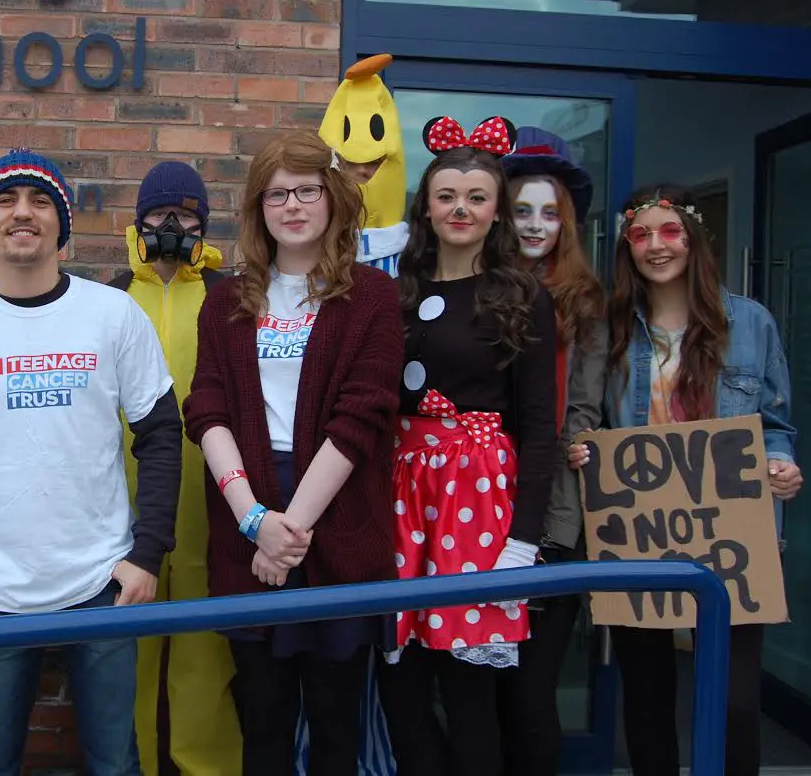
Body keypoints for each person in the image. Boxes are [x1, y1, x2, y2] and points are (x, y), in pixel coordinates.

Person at [0, 148, 183, 776]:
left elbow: (160, 434)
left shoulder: (112, 314)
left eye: (41, 200)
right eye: (7, 200)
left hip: (104, 587)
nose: (23, 213)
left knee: (115, 764)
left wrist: (147, 554)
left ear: (61, 227)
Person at [184, 131, 404, 776]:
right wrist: (255, 521)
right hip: (245, 514)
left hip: (334, 516)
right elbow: (208, 409)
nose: (292, 205)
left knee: (337, 731)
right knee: (263, 725)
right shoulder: (225, 298)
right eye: (276, 194)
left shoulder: (371, 298)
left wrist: (290, 531)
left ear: (333, 197)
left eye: (306, 190)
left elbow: (362, 417)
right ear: (258, 209)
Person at [568, 184, 802, 776]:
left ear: (693, 241)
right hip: (638, 534)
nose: (656, 246)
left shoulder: (749, 322)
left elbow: (775, 425)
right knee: (646, 697)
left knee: (735, 703)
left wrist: (780, 464)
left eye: (669, 232)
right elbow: (588, 421)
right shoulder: (608, 328)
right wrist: (582, 454)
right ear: (626, 248)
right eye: (641, 235)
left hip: (734, 538)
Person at [377, 116, 558, 776]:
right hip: (401, 497)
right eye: (447, 194)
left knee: (465, 681)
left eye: (476, 196)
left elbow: (540, 425)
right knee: (399, 683)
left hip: (477, 502)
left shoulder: (522, 296)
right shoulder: (394, 289)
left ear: (495, 211)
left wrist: (523, 538)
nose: (460, 207)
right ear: (425, 204)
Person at [107, 161, 242, 776]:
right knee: (123, 661)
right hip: (122, 513)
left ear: (203, 223)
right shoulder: (108, 298)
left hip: (209, 507)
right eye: (160, 214)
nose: (172, 225)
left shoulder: (229, 298)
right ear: (139, 222)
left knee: (204, 658)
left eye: (186, 215)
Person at [496, 127, 607, 776]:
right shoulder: (476, 289)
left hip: (555, 518)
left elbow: (585, 406)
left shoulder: (585, 305)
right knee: (478, 688)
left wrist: (582, 442)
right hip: (475, 509)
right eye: (521, 210)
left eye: (548, 212)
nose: (534, 225)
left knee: (532, 693)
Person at [319, 52, 409, 278]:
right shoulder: (314, 245)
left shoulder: (411, 257)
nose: (362, 170)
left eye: (375, 162)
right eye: (351, 162)